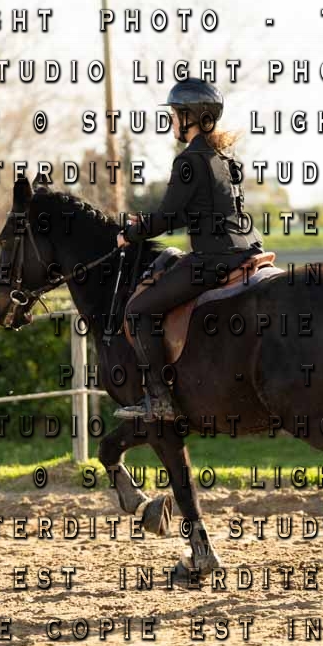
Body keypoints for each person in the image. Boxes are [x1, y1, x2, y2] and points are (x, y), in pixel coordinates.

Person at [114, 78, 263, 421]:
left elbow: (167, 217)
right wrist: (146, 223)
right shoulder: (224, 157)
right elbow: (188, 212)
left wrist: (130, 235)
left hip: (214, 259)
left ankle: (160, 399)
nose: (171, 122)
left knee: (137, 310)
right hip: (247, 251)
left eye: (173, 116)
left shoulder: (189, 160)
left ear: (188, 116)